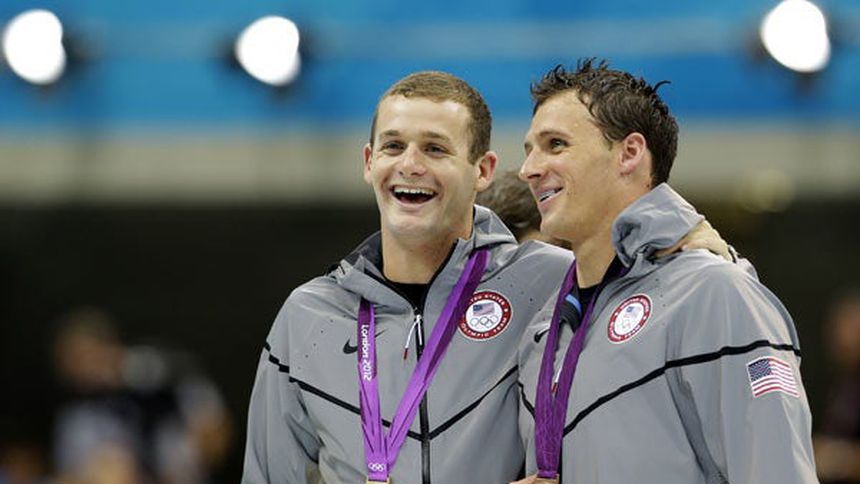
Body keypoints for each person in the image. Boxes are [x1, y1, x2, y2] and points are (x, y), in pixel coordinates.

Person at [242, 71, 731, 484]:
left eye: (435, 149)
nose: (410, 165)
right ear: (370, 163)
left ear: (483, 170)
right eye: (393, 146)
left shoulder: (548, 281)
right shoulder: (308, 316)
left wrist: (694, 238)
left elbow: (656, 292)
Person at [514, 59, 817, 483]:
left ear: (630, 153)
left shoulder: (714, 292)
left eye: (556, 144)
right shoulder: (547, 328)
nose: (529, 169)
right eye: (529, 150)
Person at [814, 289, 860, 484]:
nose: (841, 337)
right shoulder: (846, 383)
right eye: (836, 328)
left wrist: (837, 458)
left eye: (852, 329)